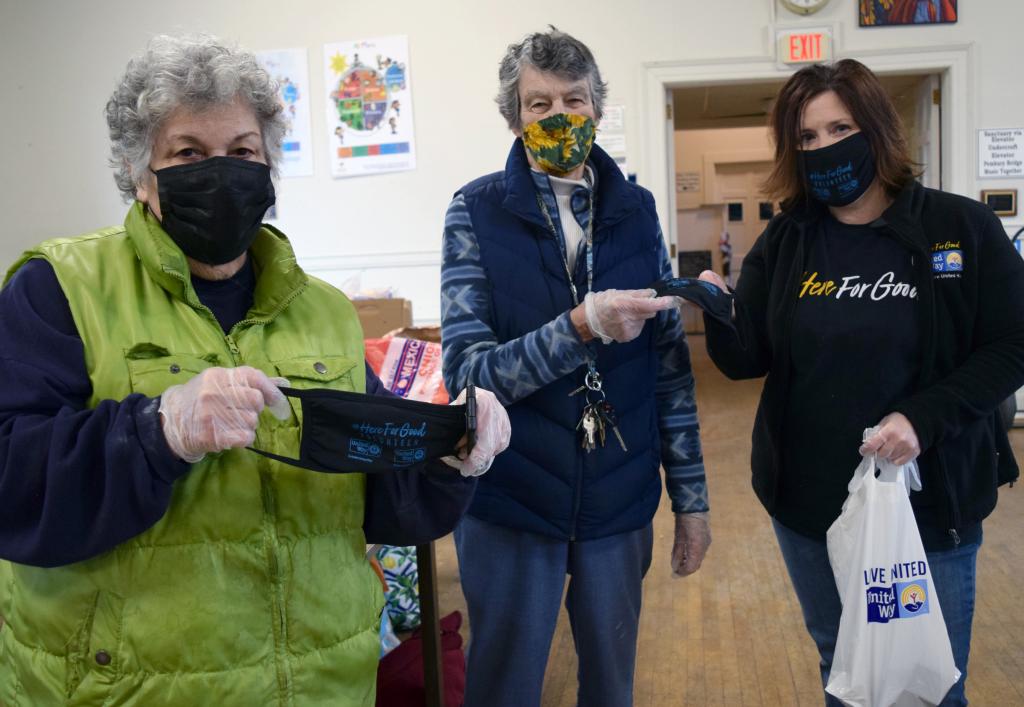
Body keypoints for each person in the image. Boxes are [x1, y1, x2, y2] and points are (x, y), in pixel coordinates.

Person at [0, 35, 509, 706]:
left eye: (242, 151)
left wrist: (448, 452)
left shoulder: (323, 312)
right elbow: (12, 479)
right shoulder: (60, 288)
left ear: (268, 166)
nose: (220, 173)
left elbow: (384, 500)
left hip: (324, 684)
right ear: (139, 172)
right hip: (131, 689)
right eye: (188, 153)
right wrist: (158, 432)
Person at [698, 59, 1024, 706]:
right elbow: (746, 359)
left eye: (839, 128)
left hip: (926, 507)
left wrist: (921, 419)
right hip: (809, 505)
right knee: (844, 674)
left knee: (927, 686)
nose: (823, 147)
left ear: (876, 127)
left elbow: (1012, 344)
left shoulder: (959, 228)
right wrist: (715, 309)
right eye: (806, 136)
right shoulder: (787, 239)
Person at [441, 27, 711, 707]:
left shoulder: (637, 211)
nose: (559, 116)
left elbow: (670, 370)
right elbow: (467, 376)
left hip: (618, 497)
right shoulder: (475, 212)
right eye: (539, 104)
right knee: (503, 689)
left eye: (574, 99)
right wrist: (579, 328)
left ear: (597, 108)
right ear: (514, 117)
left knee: (611, 688)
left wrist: (692, 501)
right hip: (512, 500)